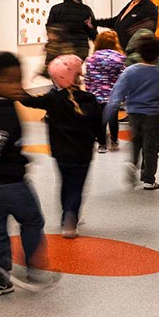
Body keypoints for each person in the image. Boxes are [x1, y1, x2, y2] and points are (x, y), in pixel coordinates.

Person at [0, 52, 58, 296]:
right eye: (9, 81)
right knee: (32, 220)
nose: (16, 86)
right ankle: (36, 270)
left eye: (19, 80)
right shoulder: (3, 113)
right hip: (10, 182)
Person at [20, 55, 102, 239]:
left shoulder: (53, 98)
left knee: (65, 183)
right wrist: (102, 140)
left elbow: (30, 101)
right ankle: (70, 221)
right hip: (83, 153)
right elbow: (99, 124)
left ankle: (67, 214)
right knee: (77, 187)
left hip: (61, 152)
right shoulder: (90, 99)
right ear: (77, 76)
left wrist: (16, 89)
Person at [104, 35, 159, 191]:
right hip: (152, 115)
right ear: (158, 54)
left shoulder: (130, 71)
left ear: (139, 52)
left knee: (136, 141)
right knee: (151, 148)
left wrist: (106, 117)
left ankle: (132, 163)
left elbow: (116, 95)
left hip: (134, 115)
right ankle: (149, 179)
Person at [84, 30, 128, 153]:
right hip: (113, 95)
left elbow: (89, 77)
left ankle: (102, 144)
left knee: (99, 120)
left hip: (96, 94)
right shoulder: (119, 58)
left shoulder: (92, 59)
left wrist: (89, 91)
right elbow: (123, 77)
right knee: (113, 118)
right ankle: (114, 141)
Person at [95, 0, 159, 52]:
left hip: (138, 50)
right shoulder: (131, 4)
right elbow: (116, 21)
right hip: (123, 48)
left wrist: (126, 31)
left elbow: (149, 27)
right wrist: (95, 22)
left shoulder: (149, 7)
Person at [45, 0, 97, 64]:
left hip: (60, 48)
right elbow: (92, 32)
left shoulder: (56, 9)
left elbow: (50, 28)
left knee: (59, 73)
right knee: (74, 72)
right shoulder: (86, 10)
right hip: (80, 48)